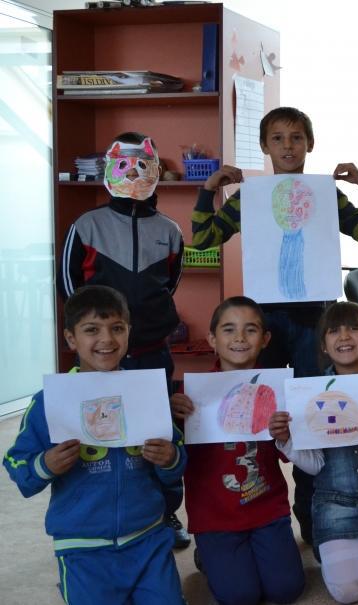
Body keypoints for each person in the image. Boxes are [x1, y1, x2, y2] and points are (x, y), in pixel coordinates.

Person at [192, 106, 358, 544]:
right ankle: (245, 518)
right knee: (259, 417)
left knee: (313, 418)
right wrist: (208, 191)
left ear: (309, 144)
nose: (287, 146)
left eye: (296, 138)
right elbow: (203, 238)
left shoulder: (325, 194)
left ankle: (316, 522)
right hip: (264, 324)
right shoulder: (250, 197)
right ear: (264, 147)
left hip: (316, 320)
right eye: (277, 139)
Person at [4, 285, 186, 605]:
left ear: (129, 333)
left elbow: (177, 461)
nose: (106, 339)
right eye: (91, 330)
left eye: (117, 328)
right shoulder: (49, 402)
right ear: (71, 338)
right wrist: (45, 465)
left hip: (147, 539)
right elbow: (18, 465)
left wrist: (169, 458)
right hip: (82, 547)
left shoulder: (145, 394)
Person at [60, 132, 189, 548]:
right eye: (124, 166)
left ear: (155, 172)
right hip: (100, 357)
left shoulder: (169, 231)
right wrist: (95, 336)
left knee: (158, 436)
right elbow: (72, 289)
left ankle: (165, 514)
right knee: (103, 435)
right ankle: (102, 517)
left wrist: (147, 326)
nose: (133, 174)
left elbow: (169, 284)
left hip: (152, 354)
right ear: (108, 171)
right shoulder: (87, 225)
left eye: (142, 166)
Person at [271, 302, 358, 602]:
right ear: (322, 344)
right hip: (334, 509)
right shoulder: (311, 392)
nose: (344, 336)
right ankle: (356, 555)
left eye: (354, 328)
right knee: (347, 593)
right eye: (333, 331)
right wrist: (286, 441)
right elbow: (315, 466)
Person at [169, 297, 305, 605]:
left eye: (251, 330)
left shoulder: (278, 389)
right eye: (229, 330)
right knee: (240, 596)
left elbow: (290, 454)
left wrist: (285, 434)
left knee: (286, 590)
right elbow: (173, 459)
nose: (240, 338)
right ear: (212, 339)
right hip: (215, 515)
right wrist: (175, 421)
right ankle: (209, 553)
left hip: (267, 510)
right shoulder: (189, 396)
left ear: (266, 339)